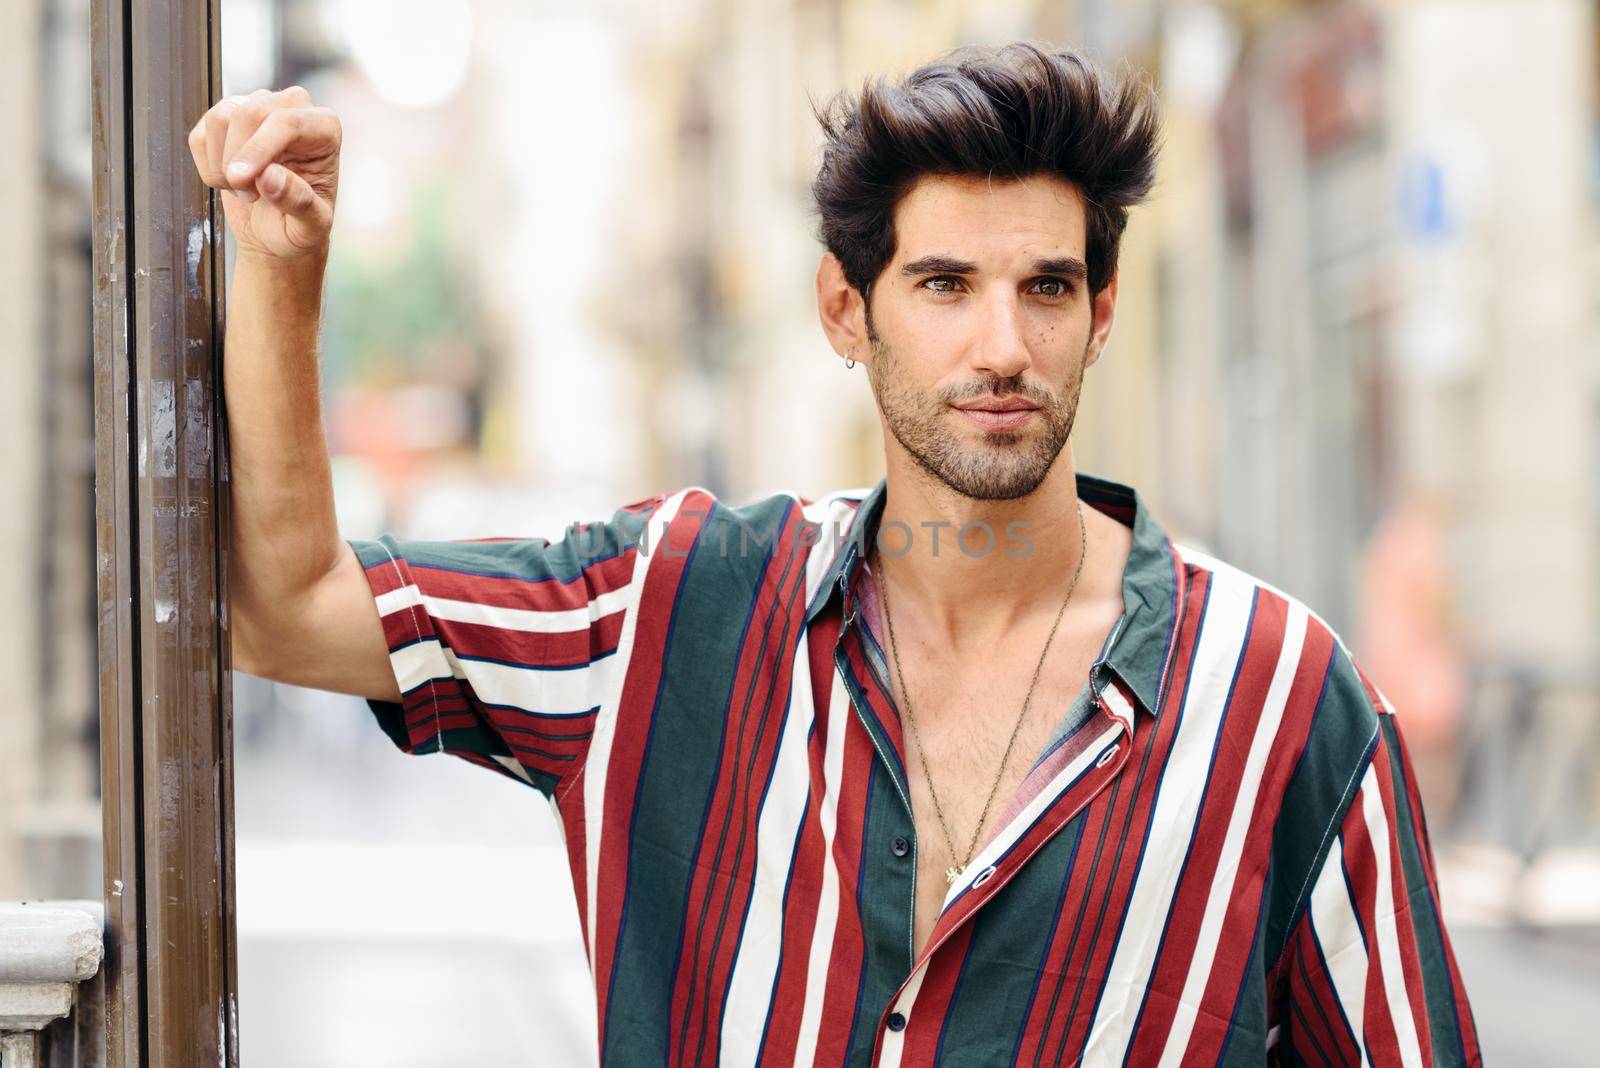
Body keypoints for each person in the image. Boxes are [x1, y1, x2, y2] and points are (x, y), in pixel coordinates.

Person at [188, 41, 1479, 1067]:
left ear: (1101, 314)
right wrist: (283, 265)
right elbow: (289, 606)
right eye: (942, 285)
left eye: (1045, 288)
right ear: (843, 310)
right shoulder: (670, 613)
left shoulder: (1276, 696)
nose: (1001, 348)